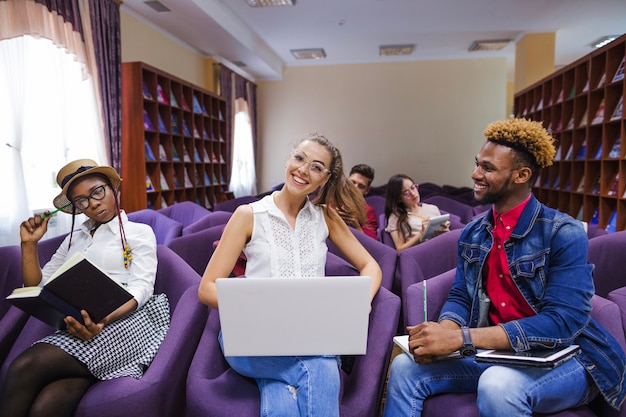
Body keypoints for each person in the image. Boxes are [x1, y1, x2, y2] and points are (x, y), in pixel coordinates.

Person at [382, 118, 626, 416]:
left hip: (567, 358)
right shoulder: (474, 233)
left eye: (487, 168)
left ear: (521, 175)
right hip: (500, 353)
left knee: (498, 384)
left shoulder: (564, 233)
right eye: (477, 164)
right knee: (405, 366)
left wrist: (461, 338)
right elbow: (461, 296)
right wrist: (443, 333)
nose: (475, 173)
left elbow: (563, 322)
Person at [198, 134, 382, 417]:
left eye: (316, 167)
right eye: (299, 158)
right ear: (288, 159)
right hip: (251, 336)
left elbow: (371, 266)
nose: (303, 170)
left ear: (325, 178)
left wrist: (362, 300)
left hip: (310, 334)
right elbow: (206, 288)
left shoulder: (326, 218)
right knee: (321, 366)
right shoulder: (249, 214)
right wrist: (263, 304)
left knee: (284, 393)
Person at [0, 159, 169, 417]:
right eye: (81, 201)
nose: (92, 203)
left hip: (125, 324)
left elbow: (142, 288)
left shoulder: (139, 232)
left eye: (97, 191)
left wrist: (104, 319)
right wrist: (29, 245)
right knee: (48, 404)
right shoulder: (73, 240)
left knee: (24, 366)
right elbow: (36, 286)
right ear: (75, 207)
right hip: (79, 327)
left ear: (113, 188)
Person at [384, 174, 450, 252]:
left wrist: (445, 232)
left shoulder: (432, 208)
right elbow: (399, 250)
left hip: (439, 248)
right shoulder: (396, 216)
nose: (413, 193)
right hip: (419, 253)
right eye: (406, 193)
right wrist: (421, 233)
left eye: (413, 187)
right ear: (399, 199)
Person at [348, 163, 379, 239]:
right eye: (352, 182)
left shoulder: (368, 211)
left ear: (367, 191)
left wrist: (356, 226)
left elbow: (371, 243)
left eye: (361, 186)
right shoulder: (330, 198)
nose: (355, 188)